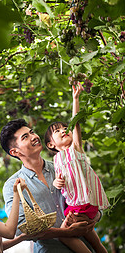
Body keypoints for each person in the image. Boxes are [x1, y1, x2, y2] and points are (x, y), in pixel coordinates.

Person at [0, 119, 99, 253]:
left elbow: (92, 194)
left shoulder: (64, 165)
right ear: (15, 152)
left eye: (32, 132)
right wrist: (65, 232)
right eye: (25, 137)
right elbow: (20, 228)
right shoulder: (13, 185)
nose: (34, 137)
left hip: (88, 245)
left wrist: (93, 217)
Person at [44, 82, 110, 253]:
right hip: (80, 204)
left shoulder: (75, 149)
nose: (64, 131)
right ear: (51, 144)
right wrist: (56, 183)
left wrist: (76, 98)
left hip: (82, 203)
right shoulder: (58, 160)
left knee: (65, 234)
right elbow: (61, 181)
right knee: (94, 240)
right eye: (57, 131)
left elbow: (76, 122)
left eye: (65, 128)